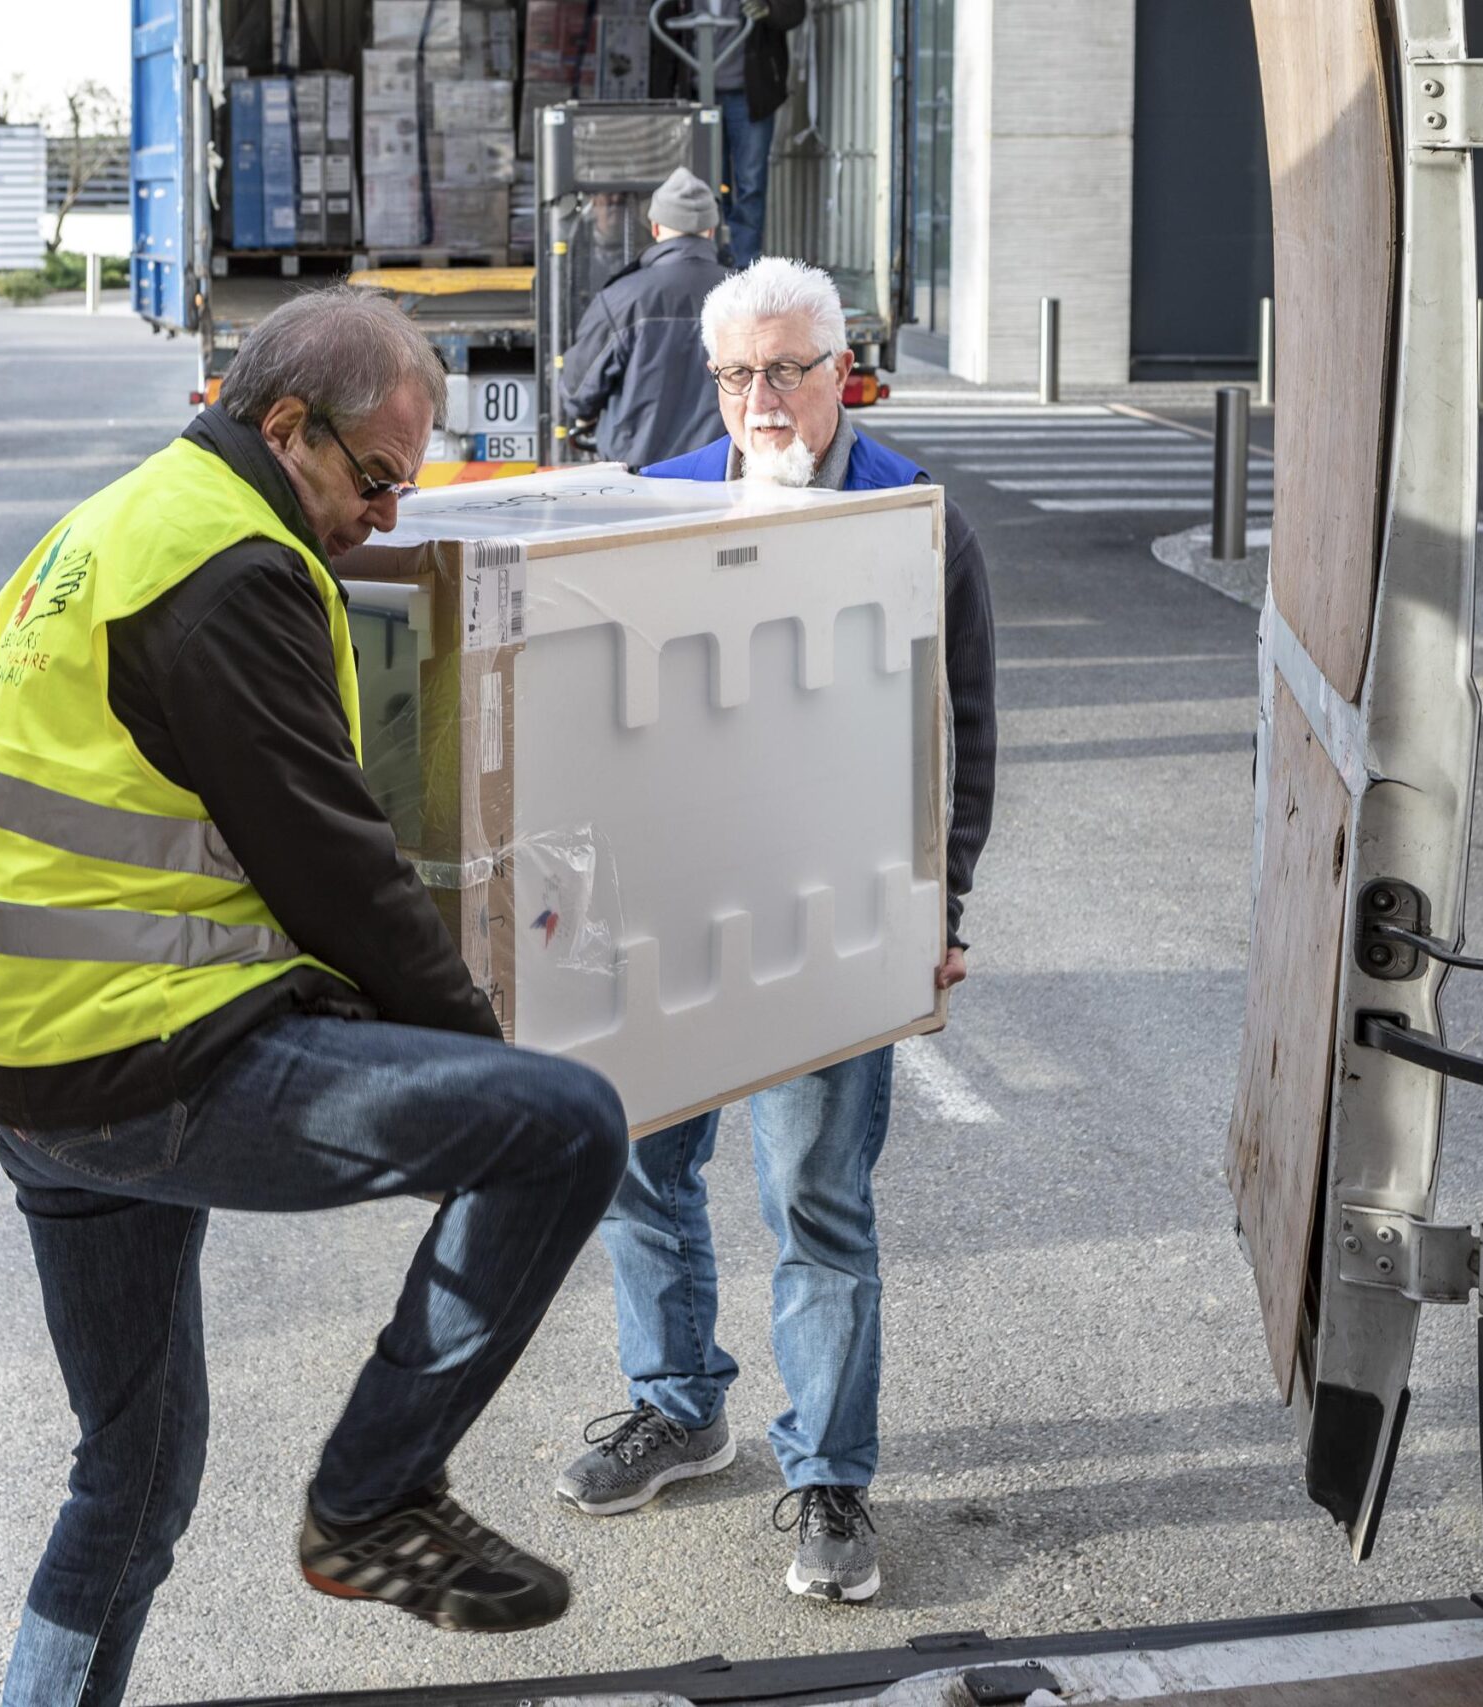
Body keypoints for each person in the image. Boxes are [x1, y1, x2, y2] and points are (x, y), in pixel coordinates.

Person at [0, 290, 628, 1706]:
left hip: (22, 1064)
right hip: (139, 1064)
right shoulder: (232, 568)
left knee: (131, 1475)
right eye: (375, 478)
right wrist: (475, 1054)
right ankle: (372, 1499)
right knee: (559, 1127)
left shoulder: (110, 527)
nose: (385, 514)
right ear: (285, 425)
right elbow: (337, 871)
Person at [553, 257, 996, 1604]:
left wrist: (943, 904)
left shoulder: (911, 517)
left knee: (814, 1195)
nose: (764, 397)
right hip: (663, 922)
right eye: (740, 372)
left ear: (842, 366)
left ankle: (830, 1473)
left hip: (829, 919)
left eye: (791, 368)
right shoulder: (660, 502)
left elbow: (962, 731)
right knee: (641, 1171)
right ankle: (681, 1406)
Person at [557, 167, 735, 468]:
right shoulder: (745, 294)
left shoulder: (622, 299)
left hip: (639, 483)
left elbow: (577, 393)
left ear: (655, 228)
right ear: (711, 230)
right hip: (722, 476)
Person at [650, 0, 808, 264]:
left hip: (750, 93)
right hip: (698, 95)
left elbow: (792, 13)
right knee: (708, 180)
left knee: (751, 182)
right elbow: (661, 36)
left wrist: (768, 8)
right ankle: (708, 261)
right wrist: (661, 102)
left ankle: (744, 264)